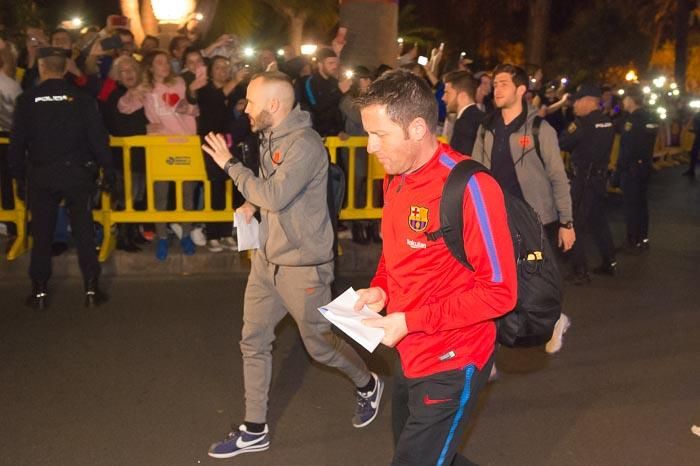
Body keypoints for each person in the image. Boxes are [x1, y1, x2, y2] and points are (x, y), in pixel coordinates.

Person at [201, 71, 382, 459]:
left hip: (304, 267)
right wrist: (252, 204)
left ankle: (368, 383)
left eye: (250, 101)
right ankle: (255, 429)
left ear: (275, 106)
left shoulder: (305, 144)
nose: (244, 108)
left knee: (319, 345)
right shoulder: (270, 136)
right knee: (253, 340)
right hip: (267, 260)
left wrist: (231, 165)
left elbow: (277, 195)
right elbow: (272, 192)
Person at [353, 69, 517, 466]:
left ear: (418, 127)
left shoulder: (471, 187)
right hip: (410, 354)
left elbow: (501, 292)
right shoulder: (395, 179)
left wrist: (409, 321)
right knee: (424, 455)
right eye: (368, 133)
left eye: (380, 135)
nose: (371, 146)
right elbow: (396, 257)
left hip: (454, 359)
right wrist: (381, 290)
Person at [471, 64, 574, 353]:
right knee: (494, 279)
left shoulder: (541, 129)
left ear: (521, 90)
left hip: (534, 219)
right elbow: (475, 172)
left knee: (535, 279)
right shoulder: (486, 127)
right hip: (495, 217)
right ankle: (489, 346)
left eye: (503, 84)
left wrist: (566, 223)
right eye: (495, 84)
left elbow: (558, 177)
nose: (497, 89)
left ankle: (555, 320)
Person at [8, 47, 114, 309]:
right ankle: (91, 289)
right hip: (77, 173)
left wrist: (18, 178)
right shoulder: (82, 98)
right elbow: (98, 139)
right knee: (84, 231)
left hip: (42, 174)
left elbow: (17, 143)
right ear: (66, 68)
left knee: (42, 234)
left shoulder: (27, 100)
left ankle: (40, 291)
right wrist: (108, 170)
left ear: (42, 67)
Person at [119, 49, 200, 261]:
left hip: (185, 145)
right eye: (160, 62)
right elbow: (123, 108)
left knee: (187, 195)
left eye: (167, 62)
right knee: (160, 195)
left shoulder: (180, 83)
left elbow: (197, 110)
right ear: (151, 67)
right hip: (160, 147)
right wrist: (132, 96)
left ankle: (187, 234)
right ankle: (162, 236)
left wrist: (187, 108)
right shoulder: (146, 89)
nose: (165, 66)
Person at [558, 84, 617, 282]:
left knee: (573, 223)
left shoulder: (582, 124)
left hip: (584, 179)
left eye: (577, 101)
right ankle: (610, 261)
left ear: (588, 101)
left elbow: (563, 142)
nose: (574, 105)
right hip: (600, 179)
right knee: (598, 220)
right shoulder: (607, 122)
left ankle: (579, 270)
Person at [616, 86, 658, 252]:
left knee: (631, 205)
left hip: (632, 168)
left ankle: (633, 240)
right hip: (644, 166)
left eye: (625, 99)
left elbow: (628, 148)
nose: (623, 102)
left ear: (631, 100)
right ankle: (643, 238)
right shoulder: (649, 116)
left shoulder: (633, 120)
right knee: (641, 204)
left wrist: (619, 169)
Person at [442, 70, 484, 155]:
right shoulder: (481, 117)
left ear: (462, 96)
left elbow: (458, 161)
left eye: (447, 93)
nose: (443, 98)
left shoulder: (464, 122)